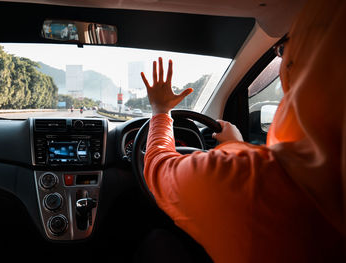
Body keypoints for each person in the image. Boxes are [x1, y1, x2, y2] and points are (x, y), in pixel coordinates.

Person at [140, 0, 346, 262]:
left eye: (282, 50)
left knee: (158, 243)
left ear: (302, 63)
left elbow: (159, 167)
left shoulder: (248, 179)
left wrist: (160, 110)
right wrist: (235, 147)